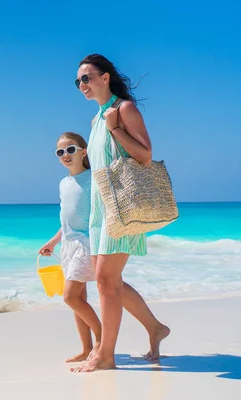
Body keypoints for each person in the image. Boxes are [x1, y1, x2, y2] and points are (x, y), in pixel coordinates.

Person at [72, 54, 170, 372]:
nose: (82, 84)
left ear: (105, 77)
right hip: (102, 209)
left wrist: (116, 129)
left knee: (105, 280)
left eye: (87, 78)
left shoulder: (123, 110)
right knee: (109, 281)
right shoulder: (95, 119)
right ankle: (155, 328)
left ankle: (106, 355)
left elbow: (145, 155)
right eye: (78, 81)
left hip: (124, 206)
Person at [39, 132, 102, 363]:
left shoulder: (93, 179)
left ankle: (102, 340)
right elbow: (67, 220)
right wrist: (53, 241)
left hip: (87, 244)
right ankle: (86, 348)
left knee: (70, 297)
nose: (65, 155)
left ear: (83, 152)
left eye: (71, 149)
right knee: (79, 299)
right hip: (68, 245)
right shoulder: (64, 183)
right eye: (60, 152)